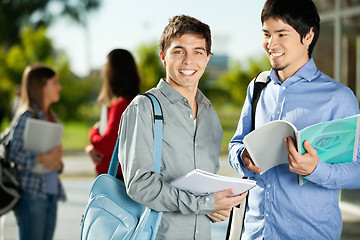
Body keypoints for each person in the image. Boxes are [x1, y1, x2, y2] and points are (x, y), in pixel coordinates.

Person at [229, 0, 360, 239]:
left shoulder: (338, 97)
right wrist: (243, 157)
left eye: (282, 34)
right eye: (266, 34)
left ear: (308, 35)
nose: (271, 44)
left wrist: (315, 170)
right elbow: (235, 145)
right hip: (255, 233)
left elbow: (357, 169)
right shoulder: (258, 88)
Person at [118, 15, 247, 239]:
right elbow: (139, 185)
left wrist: (217, 205)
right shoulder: (144, 108)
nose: (189, 61)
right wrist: (205, 203)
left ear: (207, 59)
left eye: (198, 52)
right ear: (163, 57)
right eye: (179, 51)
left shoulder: (210, 116)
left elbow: (205, 185)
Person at [8, 64, 66, 240]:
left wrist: (57, 163)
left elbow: (54, 160)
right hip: (31, 196)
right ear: (41, 86)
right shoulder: (26, 116)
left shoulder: (52, 117)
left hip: (51, 192)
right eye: (54, 82)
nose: (59, 87)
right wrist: (42, 158)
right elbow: (13, 153)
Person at [84, 49, 140, 180]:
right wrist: (89, 148)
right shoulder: (135, 102)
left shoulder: (121, 106)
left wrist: (93, 132)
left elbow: (105, 145)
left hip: (115, 176)